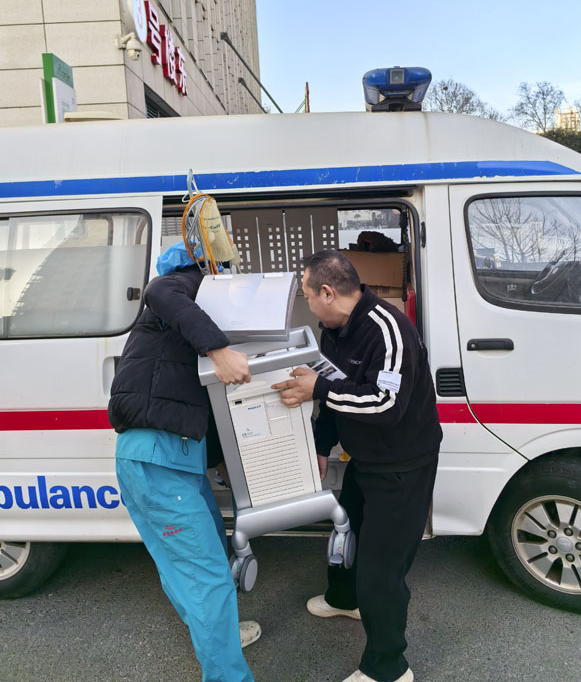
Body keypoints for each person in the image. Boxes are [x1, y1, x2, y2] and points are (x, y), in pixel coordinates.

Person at [273, 249, 442, 682]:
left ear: (328, 292)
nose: (308, 304)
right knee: (345, 533)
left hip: (402, 466)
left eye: (308, 295)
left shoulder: (388, 330)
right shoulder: (332, 329)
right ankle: (345, 599)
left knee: (381, 572)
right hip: (365, 460)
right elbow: (335, 385)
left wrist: (319, 390)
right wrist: (321, 444)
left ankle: (389, 668)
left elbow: (386, 404)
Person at [108, 242, 259, 682]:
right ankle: (227, 673)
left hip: (172, 461)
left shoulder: (174, 332)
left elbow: (199, 407)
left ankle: (219, 637)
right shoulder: (179, 285)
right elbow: (159, 290)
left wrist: (223, 463)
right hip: (159, 461)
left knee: (193, 564)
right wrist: (219, 349)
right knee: (205, 576)